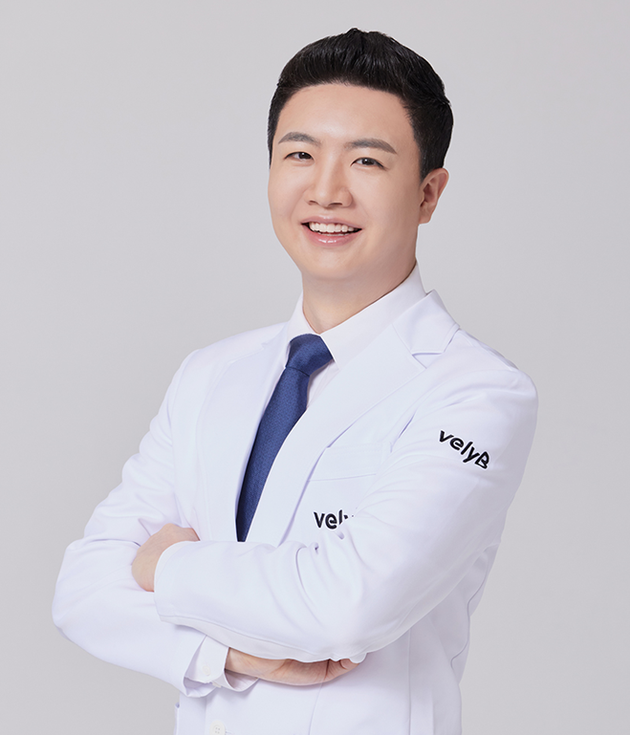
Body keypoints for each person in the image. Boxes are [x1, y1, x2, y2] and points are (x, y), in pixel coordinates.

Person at [53, 28, 537, 735]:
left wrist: (167, 564)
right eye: (300, 154)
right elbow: (82, 588)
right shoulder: (210, 375)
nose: (326, 190)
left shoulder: (476, 393)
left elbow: (346, 607)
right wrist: (222, 655)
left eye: (366, 160)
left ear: (428, 194)